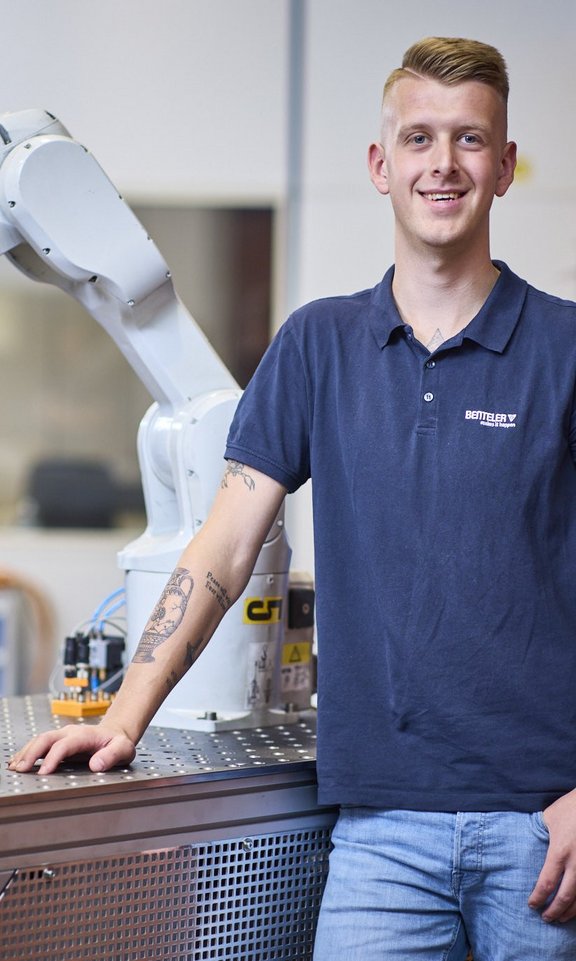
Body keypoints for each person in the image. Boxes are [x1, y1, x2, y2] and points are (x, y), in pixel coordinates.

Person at [9, 35, 576, 960]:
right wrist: (123, 714)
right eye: (419, 138)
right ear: (380, 165)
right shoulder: (319, 345)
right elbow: (223, 548)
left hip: (544, 830)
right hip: (381, 832)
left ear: (505, 166)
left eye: (470, 139)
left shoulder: (565, 348)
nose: (442, 162)